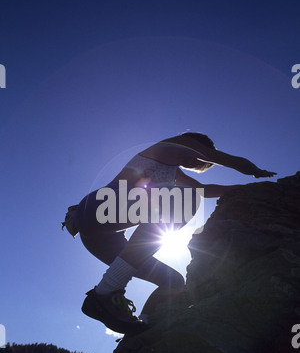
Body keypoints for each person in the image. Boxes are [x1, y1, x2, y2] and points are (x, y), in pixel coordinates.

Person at [62, 132, 276, 335]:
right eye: (201, 162)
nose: (198, 165)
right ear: (197, 145)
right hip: (99, 206)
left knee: (172, 281)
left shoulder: (174, 171)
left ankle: (141, 324)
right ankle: (105, 293)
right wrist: (254, 170)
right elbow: (223, 159)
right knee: (186, 199)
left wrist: (246, 189)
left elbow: (204, 190)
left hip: (100, 236)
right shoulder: (176, 144)